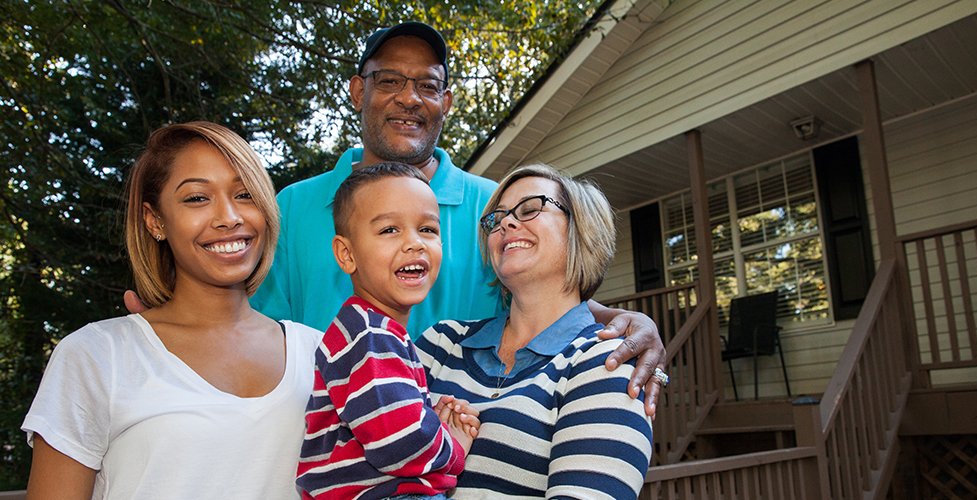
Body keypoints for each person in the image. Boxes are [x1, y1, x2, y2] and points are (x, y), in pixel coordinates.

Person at [242, 21, 670, 412]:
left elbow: (545, 293)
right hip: (328, 460)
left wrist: (623, 320)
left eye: (427, 85)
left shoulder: (494, 209)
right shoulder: (293, 206)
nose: (409, 98)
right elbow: (255, 328)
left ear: (445, 101)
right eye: (389, 80)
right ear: (358, 91)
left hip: (459, 457)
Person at [23, 122, 321, 499]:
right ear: (155, 220)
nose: (229, 217)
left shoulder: (320, 353)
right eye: (197, 198)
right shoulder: (97, 355)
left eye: (245, 194)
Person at [417, 164, 652, 499]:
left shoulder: (605, 365)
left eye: (530, 209)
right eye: (496, 220)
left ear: (580, 230)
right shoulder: (442, 343)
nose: (506, 224)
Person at [296, 163, 480, 500]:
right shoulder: (369, 335)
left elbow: (392, 421)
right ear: (347, 254)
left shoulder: (372, 331)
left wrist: (429, 424)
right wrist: (453, 448)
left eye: (427, 229)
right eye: (389, 230)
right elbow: (399, 442)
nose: (414, 244)